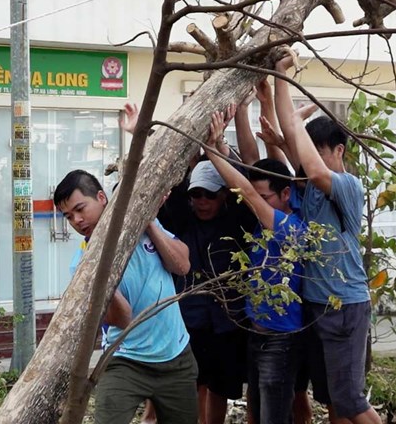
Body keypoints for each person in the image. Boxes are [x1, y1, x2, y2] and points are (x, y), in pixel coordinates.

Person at [120, 102, 254, 424]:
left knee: (220, 387)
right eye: (197, 195)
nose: (202, 201)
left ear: (223, 195)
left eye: (209, 195)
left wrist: (219, 146)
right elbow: (162, 178)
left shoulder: (236, 221)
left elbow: (244, 184)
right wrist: (142, 135)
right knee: (188, 384)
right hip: (188, 319)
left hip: (226, 320)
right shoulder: (182, 218)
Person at [273, 54, 381, 424]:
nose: (312, 162)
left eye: (319, 153)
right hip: (318, 305)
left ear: (339, 151)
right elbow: (290, 132)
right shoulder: (310, 188)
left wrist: (296, 124)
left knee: (350, 400)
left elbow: (315, 168)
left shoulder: (348, 186)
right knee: (335, 397)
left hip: (345, 306)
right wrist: (279, 75)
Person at [54, 169, 198, 424]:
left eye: (80, 209)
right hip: (124, 361)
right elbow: (122, 319)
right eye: (68, 216)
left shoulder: (141, 225)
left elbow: (182, 265)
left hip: (176, 357)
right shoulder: (83, 264)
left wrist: (149, 222)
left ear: (101, 198)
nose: (76, 220)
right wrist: (100, 272)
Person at [205, 108, 305, 424]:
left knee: (274, 416)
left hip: (281, 339)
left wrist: (210, 149)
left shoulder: (290, 227)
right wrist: (222, 143)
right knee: (258, 412)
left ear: (286, 194)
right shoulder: (267, 222)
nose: (257, 204)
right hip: (256, 333)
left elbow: (246, 191)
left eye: (265, 198)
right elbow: (248, 167)